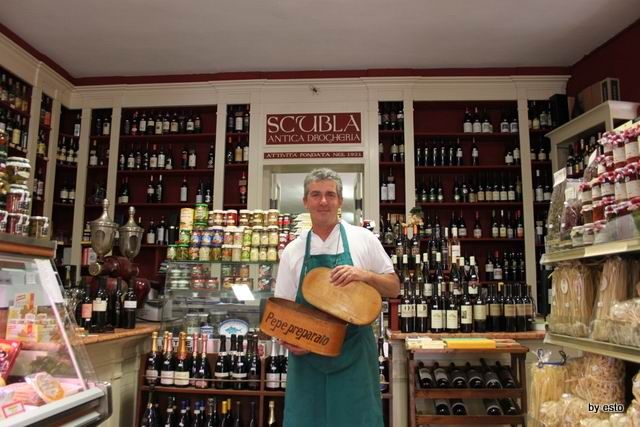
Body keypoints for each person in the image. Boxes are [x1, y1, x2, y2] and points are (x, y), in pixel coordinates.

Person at [275, 168, 400, 427]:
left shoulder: (363, 239)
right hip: (308, 361)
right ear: (306, 201)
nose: (323, 201)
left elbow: (393, 287)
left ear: (340, 200)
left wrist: (364, 275)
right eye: (316, 195)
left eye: (330, 195)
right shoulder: (293, 251)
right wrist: (292, 338)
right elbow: (284, 311)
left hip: (355, 357)